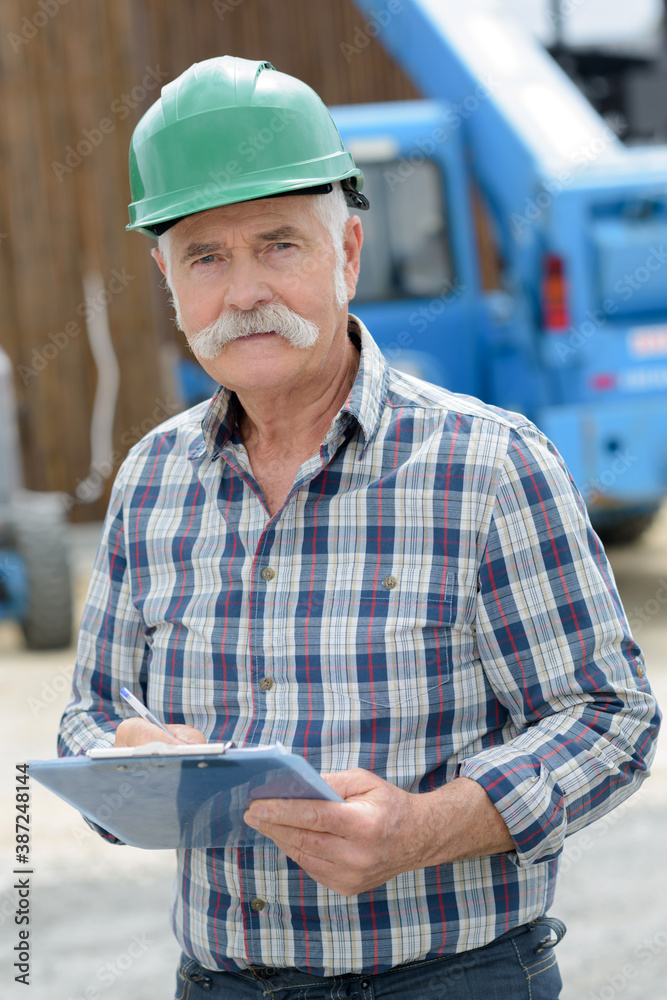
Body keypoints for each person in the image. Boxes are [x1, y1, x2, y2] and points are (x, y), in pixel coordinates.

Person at [59, 56, 661, 999]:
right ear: (167, 279)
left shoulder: (487, 464)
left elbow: (610, 721)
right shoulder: (149, 481)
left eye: (279, 244)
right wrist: (127, 760)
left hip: (452, 980)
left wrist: (427, 827)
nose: (244, 289)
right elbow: (90, 715)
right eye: (205, 258)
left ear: (347, 252)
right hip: (220, 981)